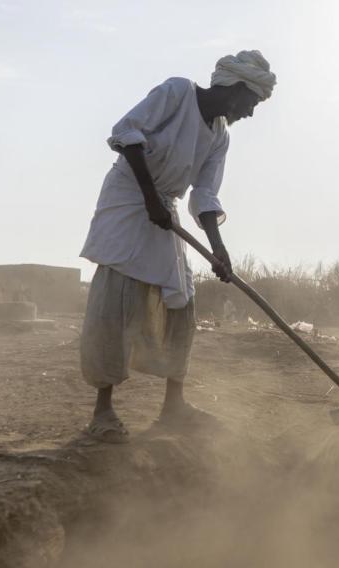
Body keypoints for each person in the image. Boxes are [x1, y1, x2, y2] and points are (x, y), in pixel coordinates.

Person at [79, 50, 276, 441]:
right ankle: (103, 412)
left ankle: (174, 408)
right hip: (128, 198)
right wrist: (150, 198)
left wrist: (218, 249)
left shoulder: (220, 136)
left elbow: (204, 194)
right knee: (117, 300)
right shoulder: (178, 91)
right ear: (236, 89)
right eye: (252, 102)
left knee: (182, 300)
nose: (251, 113)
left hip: (163, 206)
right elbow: (128, 133)